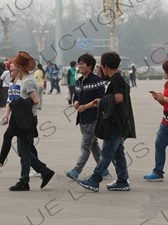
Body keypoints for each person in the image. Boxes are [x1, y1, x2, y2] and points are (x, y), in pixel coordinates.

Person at [77, 51, 131, 192]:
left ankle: (94, 180)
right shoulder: (115, 79)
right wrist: (102, 101)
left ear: (105, 66)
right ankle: (122, 180)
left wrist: (103, 100)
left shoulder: (116, 80)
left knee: (106, 153)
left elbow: (118, 98)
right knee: (118, 153)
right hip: (118, 121)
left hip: (116, 122)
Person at [7, 51, 55, 191]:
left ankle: (25, 180)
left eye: (14, 64)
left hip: (27, 119)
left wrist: (19, 103)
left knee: (23, 150)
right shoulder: (25, 79)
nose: (12, 66)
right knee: (24, 150)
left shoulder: (28, 81)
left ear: (19, 66)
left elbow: (35, 100)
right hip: (24, 118)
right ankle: (43, 172)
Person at [66, 53, 109, 181]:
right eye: (79, 63)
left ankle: (76, 170)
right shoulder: (79, 81)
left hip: (93, 118)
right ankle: (104, 169)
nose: (80, 66)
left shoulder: (97, 81)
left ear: (90, 66)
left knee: (85, 146)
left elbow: (100, 99)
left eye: (82, 64)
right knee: (94, 145)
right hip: (82, 118)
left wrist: (85, 106)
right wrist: (76, 104)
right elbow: (75, 96)